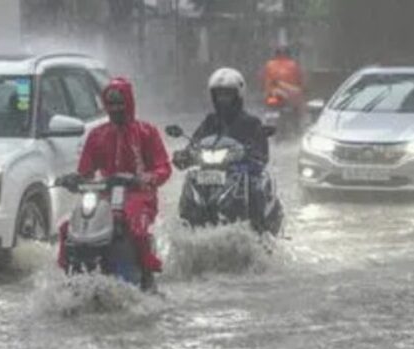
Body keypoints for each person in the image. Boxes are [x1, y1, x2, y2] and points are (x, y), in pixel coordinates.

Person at [61, 77, 172, 285]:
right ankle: (66, 272)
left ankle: (147, 271)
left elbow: (164, 167)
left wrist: (145, 179)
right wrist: (72, 180)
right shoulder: (97, 135)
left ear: (129, 102)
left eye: (120, 103)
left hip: (139, 195)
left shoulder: (146, 132)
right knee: (69, 226)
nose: (116, 108)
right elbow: (85, 172)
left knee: (135, 227)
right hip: (104, 194)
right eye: (111, 104)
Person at [176, 67, 270, 232]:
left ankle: (260, 232)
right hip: (208, 171)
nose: (222, 99)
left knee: (255, 187)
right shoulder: (210, 121)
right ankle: (185, 225)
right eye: (219, 95)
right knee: (190, 179)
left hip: (239, 173)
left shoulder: (251, 123)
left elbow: (262, 154)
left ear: (238, 95)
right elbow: (195, 142)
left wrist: (251, 158)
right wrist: (184, 154)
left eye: (227, 94)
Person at [262, 46, 305, 116]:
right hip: (290, 95)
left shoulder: (269, 64)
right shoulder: (293, 65)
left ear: (276, 54)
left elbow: (262, 78)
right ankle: (300, 119)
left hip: (272, 94)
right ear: (288, 54)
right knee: (299, 105)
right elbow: (300, 78)